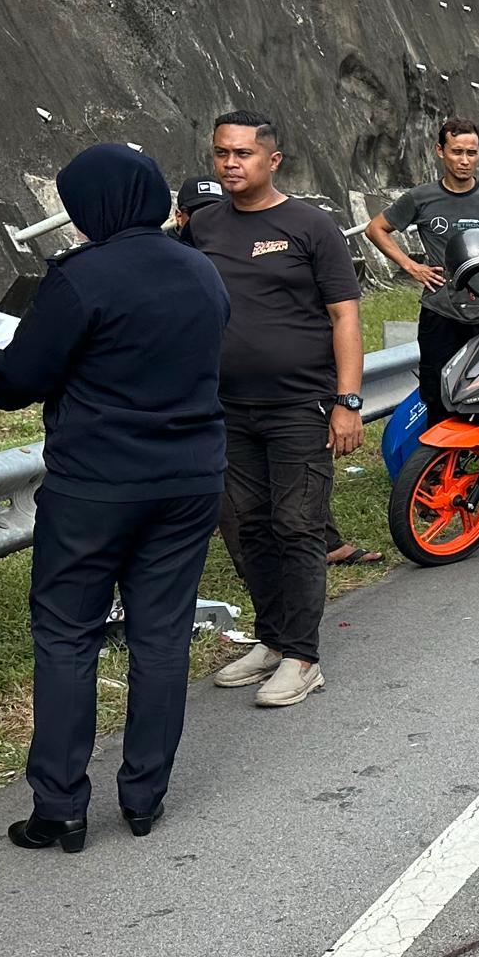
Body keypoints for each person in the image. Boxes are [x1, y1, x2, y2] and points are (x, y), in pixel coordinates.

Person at [0, 145, 228, 851]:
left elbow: (14, 383)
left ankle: (60, 806)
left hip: (97, 483)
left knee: (67, 636)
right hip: (189, 479)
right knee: (161, 636)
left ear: (93, 206)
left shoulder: (82, 277)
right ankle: (145, 797)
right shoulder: (201, 270)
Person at [185, 111, 364, 708]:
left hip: (300, 406)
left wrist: (348, 401)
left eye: (243, 154)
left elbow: (344, 317)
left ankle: (303, 656)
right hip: (226, 408)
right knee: (246, 528)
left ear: (273, 160)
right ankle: (270, 637)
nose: (231, 164)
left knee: (297, 526)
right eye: (221, 154)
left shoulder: (311, 226)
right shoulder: (203, 225)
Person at [364, 118, 479, 419]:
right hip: (440, 314)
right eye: (457, 151)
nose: (464, 160)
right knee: (436, 396)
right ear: (440, 151)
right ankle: (436, 462)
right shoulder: (420, 198)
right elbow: (376, 228)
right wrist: (411, 266)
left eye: (471, 153)